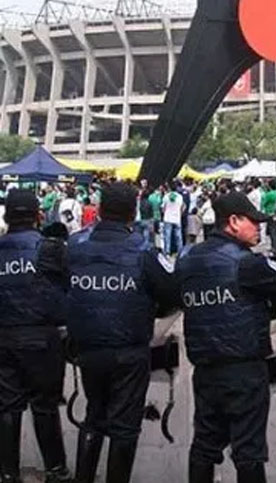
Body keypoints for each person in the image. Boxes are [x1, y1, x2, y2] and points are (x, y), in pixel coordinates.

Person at [44, 182, 179, 483]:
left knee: (94, 416)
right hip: (128, 349)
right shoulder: (144, 250)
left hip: (87, 348)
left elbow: (59, 283)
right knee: (125, 426)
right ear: (133, 213)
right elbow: (172, 290)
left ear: (100, 210)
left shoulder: (76, 246)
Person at [177, 192, 276, 483]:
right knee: (248, 450)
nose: (259, 228)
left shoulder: (188, 260)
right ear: (234, 221)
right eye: (254, 222)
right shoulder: (246, 263)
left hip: (204, 370)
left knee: (204, 445)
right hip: (243, 369)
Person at [0, 190, 73, 482]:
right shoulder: (51, 249)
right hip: (43, 338)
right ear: (38, 216)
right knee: (44, 406)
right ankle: (55, 470)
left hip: (3, 337)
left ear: (6, 217)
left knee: (6, 406)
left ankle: (7, 473)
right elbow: (72, 286)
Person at [161, 186, 185, 256]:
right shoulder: (180, 197)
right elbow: (182, 207)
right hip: (177, 218)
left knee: (167, 236)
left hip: (167, 218)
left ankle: (167, 253)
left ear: (170, 188)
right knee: (178, 236)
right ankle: (180, 252)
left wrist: (165, 213)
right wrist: (179, 214)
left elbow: (163, 208)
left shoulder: (166, 196)